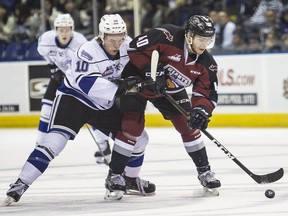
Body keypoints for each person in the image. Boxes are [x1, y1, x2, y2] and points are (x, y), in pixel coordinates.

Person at [3, 13, 155, 206]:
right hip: (73, 99)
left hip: (102, 104)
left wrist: (148, 77)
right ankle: (20, 184)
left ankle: (130, 179)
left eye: (120, 38)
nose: (117, 44)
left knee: (140, 138)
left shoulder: (127, 45)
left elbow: (140, 67)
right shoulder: (87, 50)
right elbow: (86, 83)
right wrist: (123, 87)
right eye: (111, 39)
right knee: (53, 143)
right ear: (102, 36)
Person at [105, 15, 221, 199]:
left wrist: (202, 110)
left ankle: (205, 172)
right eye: (201, 39)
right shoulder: (166, 35)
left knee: (189, 125)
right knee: (132, 127)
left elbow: (207, 93)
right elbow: (134, 47)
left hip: (170, 90)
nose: (204, 44)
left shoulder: (207, 64)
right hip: (139, 81)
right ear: (189, 35)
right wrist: (150, 70)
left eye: (208, 39)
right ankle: (115, 176)